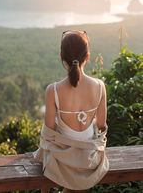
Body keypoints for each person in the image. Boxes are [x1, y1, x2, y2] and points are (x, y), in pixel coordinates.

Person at [34, 30, 108, 193]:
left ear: (62, 56)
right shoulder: (99, 86)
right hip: (89, 161)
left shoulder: (53, 90)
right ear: (87, 56)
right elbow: (102, 125)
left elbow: (49, 130)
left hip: (63, 159)